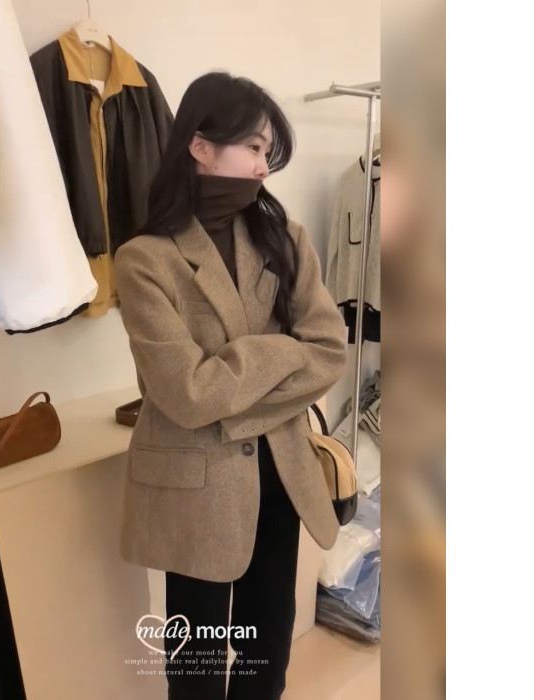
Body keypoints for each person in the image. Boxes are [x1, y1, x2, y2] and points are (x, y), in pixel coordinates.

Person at [113, 72, 348, 700]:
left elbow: (329, 350)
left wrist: (232, 378)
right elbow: (187, 394)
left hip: (282, 476)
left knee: (267, 651)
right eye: (253, 147)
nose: (264, 166)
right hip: (195, 487)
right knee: (195, 664)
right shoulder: (143, 260)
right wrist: (281, 350)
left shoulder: (284, 238)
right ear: (200, 146)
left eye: (268, 152)